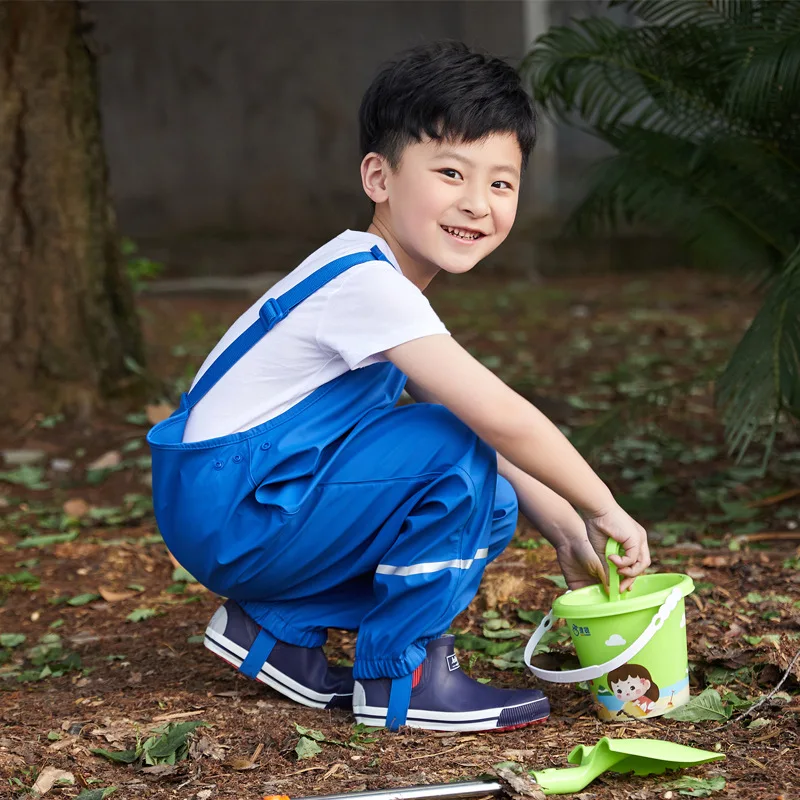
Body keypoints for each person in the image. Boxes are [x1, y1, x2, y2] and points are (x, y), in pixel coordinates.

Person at [147, 40, 650, 733]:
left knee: (491, 499)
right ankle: (400, 676)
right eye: (451, 173)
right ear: (379, 177)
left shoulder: (372, 278)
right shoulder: (368, 286)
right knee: (450, 444)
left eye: (501, 184)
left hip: (240, 502)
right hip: (237, 506)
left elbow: (467, 428)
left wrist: (565, 529)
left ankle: (277, 628)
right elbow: (496, 419)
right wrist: (602, 507)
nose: (476, 204)